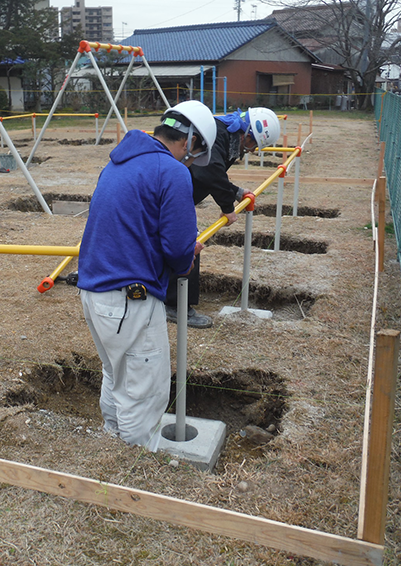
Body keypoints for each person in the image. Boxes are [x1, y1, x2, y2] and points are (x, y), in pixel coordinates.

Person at [77, 100, 217, 451]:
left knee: (116, 374)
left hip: (95, 291)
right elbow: (177, 246)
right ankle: (136, 470)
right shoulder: (170, 171)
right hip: (129, 298)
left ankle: (114, 446)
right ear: (190, 142)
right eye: (193, 153)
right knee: (145, 390)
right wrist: (186, 258)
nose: (190, 161)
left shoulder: (118, 162)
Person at [165, 107, 280, 328]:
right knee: (188, 240)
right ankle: (176, 306)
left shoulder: (224, 135)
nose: (251, 151)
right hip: (170, 195)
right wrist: (227, 205)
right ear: (247, 136)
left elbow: (213, 172)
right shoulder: (217, 134)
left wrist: (236, 193)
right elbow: (207, 171)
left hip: (175, 194)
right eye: (252, 146)